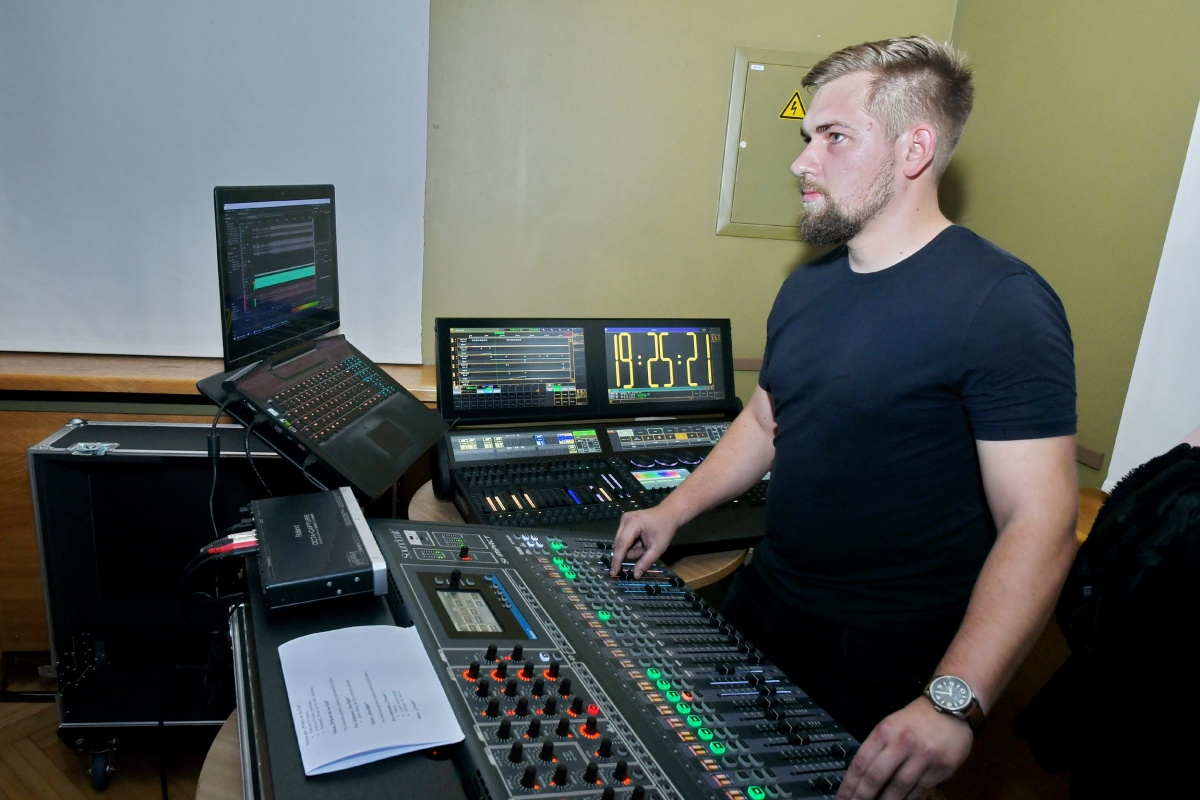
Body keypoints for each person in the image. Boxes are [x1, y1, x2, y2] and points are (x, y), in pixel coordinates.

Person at [609, 35, 1078, 800]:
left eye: (834, 137)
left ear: (914, 149)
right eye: (807, 137)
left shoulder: (1002, 304)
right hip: (767, 601)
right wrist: (675, 509)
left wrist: (952, 702)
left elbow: (1041, 522)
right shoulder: (808, 286)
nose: (802, 162)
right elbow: (766, 420)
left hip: (889, 655)